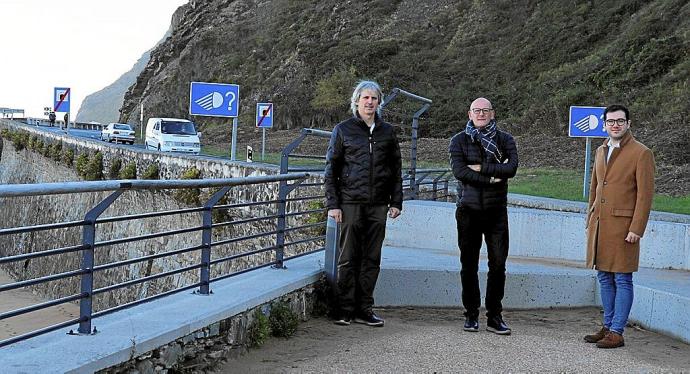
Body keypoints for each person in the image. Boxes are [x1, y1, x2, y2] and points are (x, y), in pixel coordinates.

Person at [324, 80, 403, 327]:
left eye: (374, 98)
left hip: (378, 204)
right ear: (356, 101)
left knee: (372, 258)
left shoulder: (387, 132)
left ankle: (365, 308)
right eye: (365, 98)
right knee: (347, 257)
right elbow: (331, 169)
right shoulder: (343, 130)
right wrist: (333, 204)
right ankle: (344, 309)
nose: (370, 102)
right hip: (350, 203)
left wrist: (396, 200)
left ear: (379, 103)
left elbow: (395, 169)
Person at [583, 104, 655, 349]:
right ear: (604, 124)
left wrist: (637, 228)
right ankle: (607, 325)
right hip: (601, 225)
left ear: (628, 123)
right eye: (611, 121)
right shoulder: (601, 150)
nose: (615, 125)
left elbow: (645, 195)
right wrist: (590, 216)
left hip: (624, 228)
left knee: (622, 278)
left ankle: (617, 331)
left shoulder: (641, 153)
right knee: (604, 276)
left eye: (620, 121)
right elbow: (595, 187)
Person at [448, 97, 518, 335]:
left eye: (485, 110)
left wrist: (480, 167)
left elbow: (511, 169)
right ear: (470, 114)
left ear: (492, 113)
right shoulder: (458, 141)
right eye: (476, 111)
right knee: (468, 265)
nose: (481, 114)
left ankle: (494, 316)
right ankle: (471, 315)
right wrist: (491, 178)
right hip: (467, 211)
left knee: (498, 264)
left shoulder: (505, 140)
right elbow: (460, 172)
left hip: (496, 211)